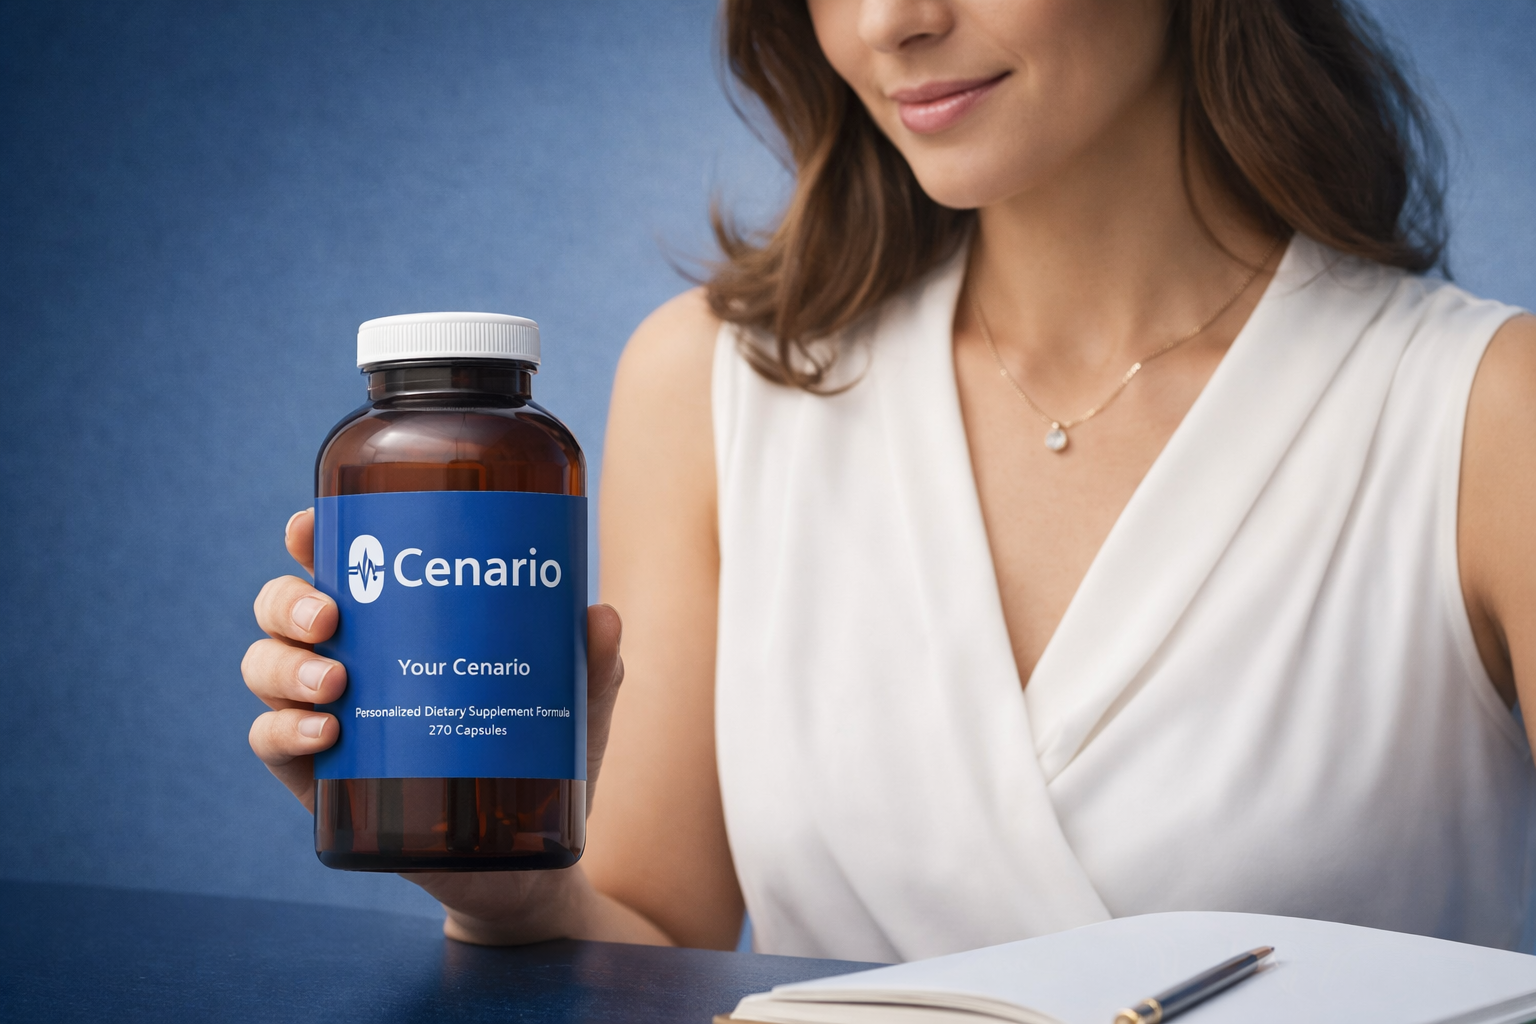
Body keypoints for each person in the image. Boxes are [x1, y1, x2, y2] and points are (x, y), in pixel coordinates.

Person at [243, 0, 1536, 963]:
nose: (890, 23)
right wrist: (501, 884)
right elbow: (646, 937)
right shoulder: (712, 385)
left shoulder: (1486, 414)